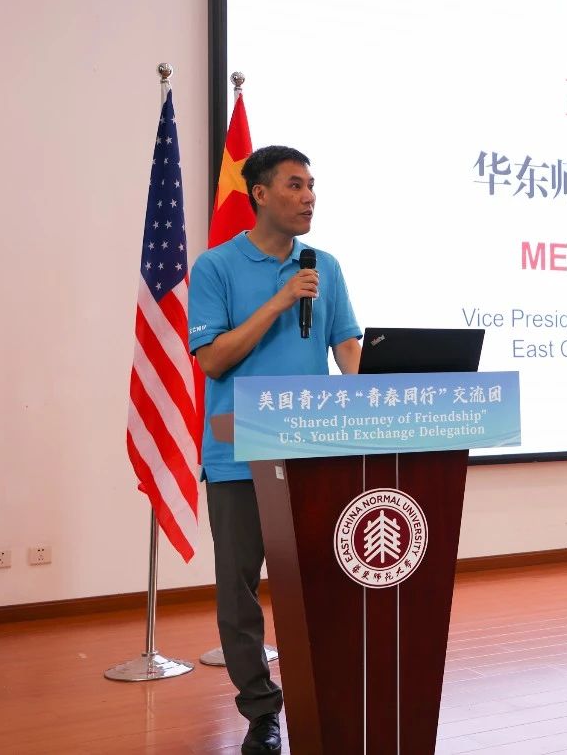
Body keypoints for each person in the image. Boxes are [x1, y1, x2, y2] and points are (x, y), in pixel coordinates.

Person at [188, 145, 362, 754]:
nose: (309, 196)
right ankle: (262, 712)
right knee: (239, 590)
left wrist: (374, 405)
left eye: (312, 185)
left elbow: (347, 349)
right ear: (259, 193)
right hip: (239, 456)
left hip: (313, 455)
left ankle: (324, 695)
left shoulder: (325, 267)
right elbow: (213, 359)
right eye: (294, 185)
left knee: (319, 583)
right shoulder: (216, 267)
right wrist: (281, 301)